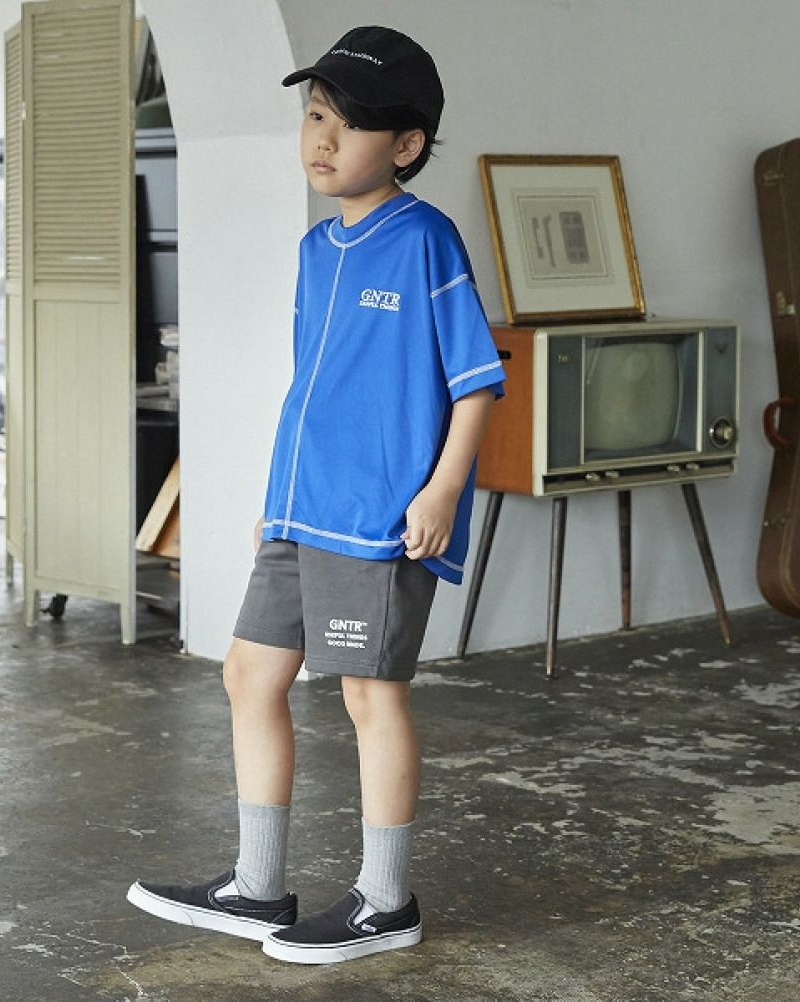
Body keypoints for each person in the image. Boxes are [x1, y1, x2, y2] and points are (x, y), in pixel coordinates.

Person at [127, 25, 505, 965]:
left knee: (371, 696)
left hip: (380, 519)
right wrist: (279, 497)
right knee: (248, 675)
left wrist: (443, 490)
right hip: (302, 510)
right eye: (315, 114)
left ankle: (386, 900)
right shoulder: (314, 248)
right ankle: (258, 887)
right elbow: (315, 385)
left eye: (348, 123)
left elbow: (475, 381)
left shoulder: (426, 241)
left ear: (406, 145)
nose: (322, 138)